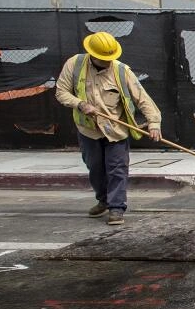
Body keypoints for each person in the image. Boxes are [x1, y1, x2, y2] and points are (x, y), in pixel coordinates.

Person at [54, 32, 162, 225]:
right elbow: (61, 92)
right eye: (104, 59)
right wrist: (80, 104)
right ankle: (103, 200)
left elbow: (142, 98)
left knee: (117, 169)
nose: (108, 62)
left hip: (116, 130)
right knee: (95, 168)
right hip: (88, 130)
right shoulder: (74, 64)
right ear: (92, 54)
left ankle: (116, 207)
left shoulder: (122, 71)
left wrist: (154, 122)